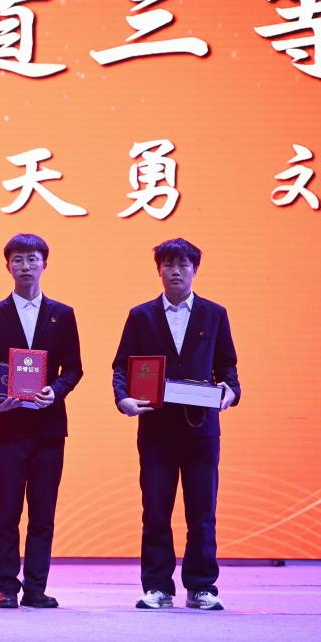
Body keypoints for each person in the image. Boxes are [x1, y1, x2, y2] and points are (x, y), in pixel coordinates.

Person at [112, 237, 240, 611]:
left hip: (202, 429)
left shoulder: (214, 314)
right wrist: (123, 399)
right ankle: (157, 587)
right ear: (159, 270)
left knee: (202, 513)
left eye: (183, 265)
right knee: (155, 511)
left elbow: (228, 367)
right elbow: (122, 366)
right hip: (156, 430)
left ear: (195, 269)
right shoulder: (141, 315)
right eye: (168, 264)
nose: (176, 271)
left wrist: (231, 392)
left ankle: (201, 587)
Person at [0, 233, 83, 609]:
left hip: (48, 428)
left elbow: (74, 368)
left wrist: (56, 390)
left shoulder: (63, 314)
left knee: (42, 512)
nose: (25, 266)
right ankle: (7, 586)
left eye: (32, 259)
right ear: (8, 266)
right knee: (6, 511)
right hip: (6, 427)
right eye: (18, 259)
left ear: (44, 264)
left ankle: (36, 587)